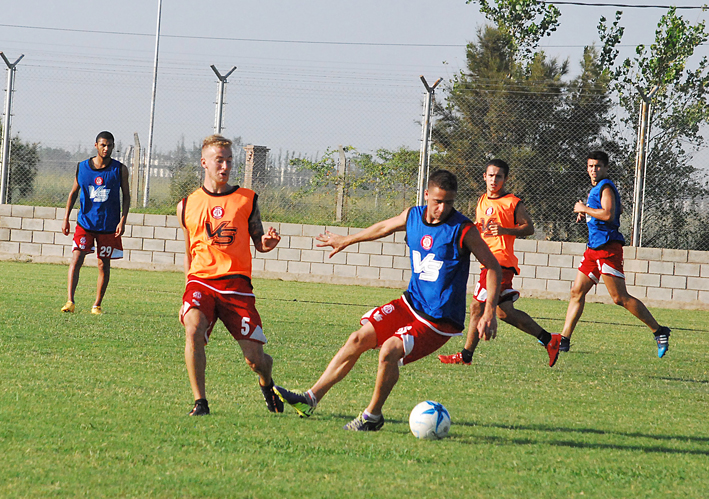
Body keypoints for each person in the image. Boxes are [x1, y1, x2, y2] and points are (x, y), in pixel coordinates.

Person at [275, 169, 502, 431]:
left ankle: (372, 416)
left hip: (439, 319)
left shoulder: (463, 230)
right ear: (426, 195)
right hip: (411, 303)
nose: (442, 208)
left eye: (449, 202)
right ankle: (309, 399)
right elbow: (383, 227)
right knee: (357, 338)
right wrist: (347, 239)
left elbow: (493, 266)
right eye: (438, 201)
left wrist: (489, 312)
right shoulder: (413, 215)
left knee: (389, 351)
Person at [177, 134, 284, 416]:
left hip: (237, 286)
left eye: (228, 161)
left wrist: (267, 244)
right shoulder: (187, 205)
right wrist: (187, 289)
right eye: (219, 161)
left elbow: (259, 242)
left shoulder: (246, 200)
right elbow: (190, 251)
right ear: (204, 163)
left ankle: (267, 380)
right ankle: (200, 402)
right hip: (201, 282)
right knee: (193, 329)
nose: (224, 167)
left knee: (255, 360)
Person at [438, 159, 561, 367]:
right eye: (491, 175)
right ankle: (550, 340)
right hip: (486, 261)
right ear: (484, 177)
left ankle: (465, 356)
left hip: (499, 263)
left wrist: (506, 230)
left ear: (505, 179)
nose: (494, 180)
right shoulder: (481, 201)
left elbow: (529, 228)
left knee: (477, 306)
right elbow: (480, 228)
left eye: (499, 176)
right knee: (504, 312)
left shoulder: (513, 202)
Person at [560, 150, 671, 357]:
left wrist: (584, 209)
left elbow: (609, 215)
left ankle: (659, 331)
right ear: (587, 168)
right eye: (591, 166)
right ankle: (564, 340)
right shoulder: (597, 189)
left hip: (607, 248)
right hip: (594, 249)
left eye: (598, 166)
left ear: (606, 168)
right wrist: (588, 214)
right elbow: (616, 210)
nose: (594, 169)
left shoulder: (606, 186)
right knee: (577, 292)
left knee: (619, 297)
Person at [61, 131, 130, 314]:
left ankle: (97, 304)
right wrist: (66, 218)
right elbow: (73, 193)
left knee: (103, 263)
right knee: (76, 258)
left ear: (113, 147)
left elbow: (127, 196)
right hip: (85, 223)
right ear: (96, 145)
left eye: (109, 145)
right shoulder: (82, 167)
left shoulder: (119, 169)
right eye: (103, 145)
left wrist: (123, 220)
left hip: (108, 225)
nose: (106, 149)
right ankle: (70, 301)